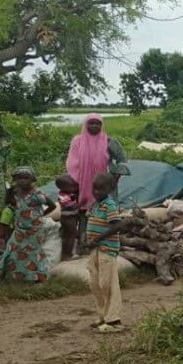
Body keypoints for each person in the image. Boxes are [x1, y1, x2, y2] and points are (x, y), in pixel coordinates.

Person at [66, 113, 129, 246]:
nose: (94, 126)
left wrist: (115, 177)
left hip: (104, 183)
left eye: (98, 123)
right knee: (84, 212)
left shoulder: (109, 141)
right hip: (83, 183)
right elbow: (72, 161)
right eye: (91, 123)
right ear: (85, 124)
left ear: (102, 125)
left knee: (107, 210)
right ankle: (84, 241)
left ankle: (105, 241)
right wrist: (78, 180)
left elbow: (122, 159)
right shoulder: (77, 140)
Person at [86, 173, 127, 333]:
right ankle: (103, 315)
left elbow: (118, 226)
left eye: (101, 189)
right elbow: (88, 221)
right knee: (95, 284)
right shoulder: (95, 205)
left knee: (107, 284)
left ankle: (114, 319)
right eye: (94, 188)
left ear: (110, 189)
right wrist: (86, 238)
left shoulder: (109, 205)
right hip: (95, 249)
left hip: (107, 250)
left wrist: (98, 239)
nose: (96, 191)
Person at [0, 167, 55, 282]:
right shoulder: (13, 193)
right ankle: (10, 276)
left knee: (34, 253)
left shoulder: (37, 195)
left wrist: (42, 216)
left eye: (26, 178)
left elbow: (52, 205)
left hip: (35, 230)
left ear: (32, 179)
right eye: (20, 178)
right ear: (15, 179)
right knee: (12, 250)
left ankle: (38, 278)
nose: (23, 180)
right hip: (20, 229)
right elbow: (8, 205)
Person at [56, 175, 79, 261]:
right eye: (72, 186)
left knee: (68, 236)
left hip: (69, 218)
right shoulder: (62, 196)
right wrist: (81, 203)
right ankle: (67, 255)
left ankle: (66, 254)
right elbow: (70, 206)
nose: (75, 187)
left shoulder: (69, 193)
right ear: (63, 187)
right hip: (68, 218)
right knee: (70, 237)